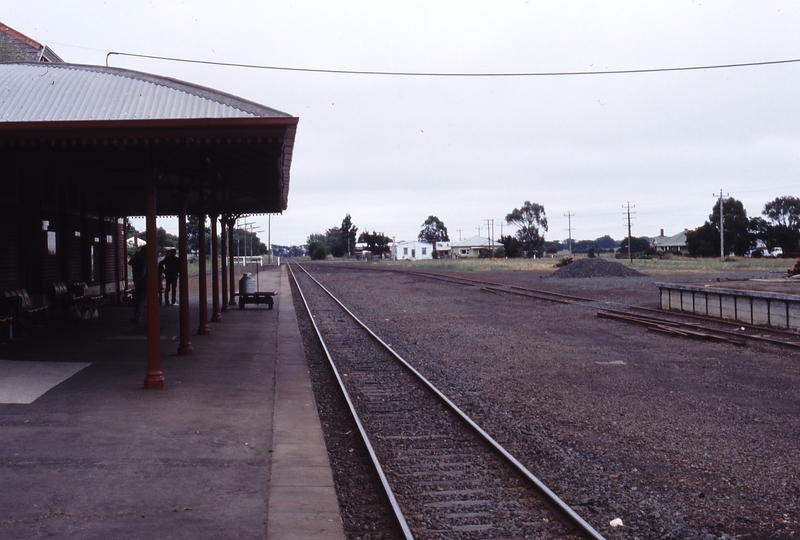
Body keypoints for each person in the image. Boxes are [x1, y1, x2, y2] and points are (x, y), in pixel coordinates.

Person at [129, 246, 147, 323]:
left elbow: (129, 262)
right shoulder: (144, 261)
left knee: (140, 298)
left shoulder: (135, 260)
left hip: (137, 280)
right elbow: (143, 272)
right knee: (142, 299)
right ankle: (137, 317)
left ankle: (137, 316)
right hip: (144, 282)